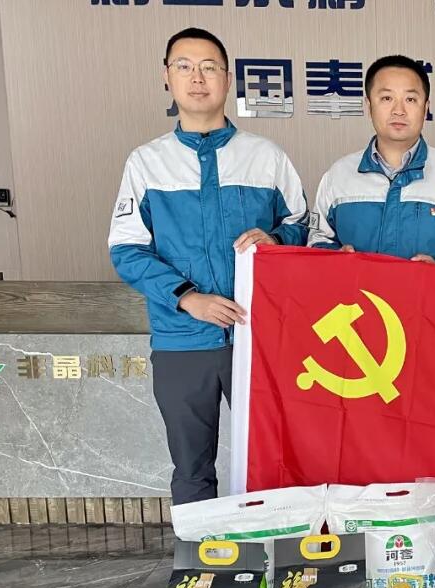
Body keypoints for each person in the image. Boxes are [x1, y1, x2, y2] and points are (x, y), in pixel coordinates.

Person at [107, 27, 308, 506]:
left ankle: (273, 550)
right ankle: (200, 555)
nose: (197, 78)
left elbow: (302, 226)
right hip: (182, 341)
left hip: (258, 339)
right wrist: (186, 298)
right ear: (167, 78)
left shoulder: (266, 157)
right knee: (192, 466)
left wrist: (277, 239)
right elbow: (126, 249)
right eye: (185, 67)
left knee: (275, 458)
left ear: (228, 79)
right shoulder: (147, 163)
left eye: (209, 68)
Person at [307, 55, 435, 269]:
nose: (398, 110)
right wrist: (335, 257)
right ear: (368, 106)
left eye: (410, 99)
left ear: (426, 108)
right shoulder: (338, 175)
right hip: (357, 292)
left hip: (430, 292)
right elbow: (317, 241)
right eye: (386, 98)